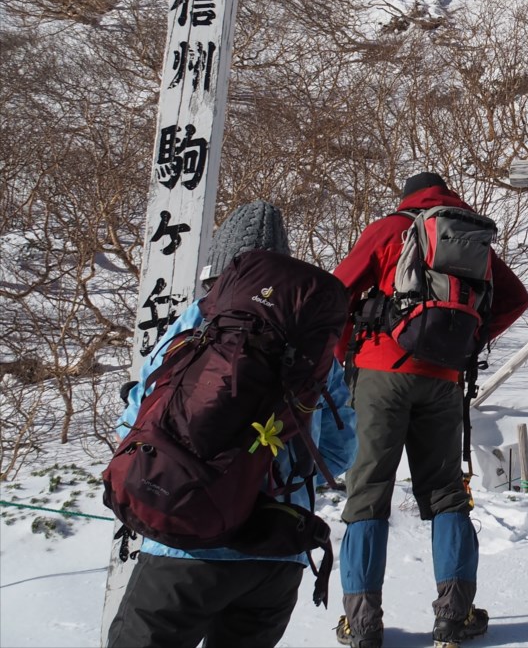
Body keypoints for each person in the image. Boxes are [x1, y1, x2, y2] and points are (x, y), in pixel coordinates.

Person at [109, 201, 357, 648]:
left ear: (223, 269)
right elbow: (339, 452)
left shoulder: (199, 322)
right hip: (277, 555)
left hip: (184, 545)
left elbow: (133, 426)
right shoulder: (316, 349)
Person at [333, 173, 528, 648]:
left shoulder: (389, 228)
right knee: (445, 494)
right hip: (443, 379)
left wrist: (346, 355)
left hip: (379, 373)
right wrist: (468, 339)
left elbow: (335, 292)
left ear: (407, 197)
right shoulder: (468, 237)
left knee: (368, 493)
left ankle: (362, 624)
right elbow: (516, 298)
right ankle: (453, 618)